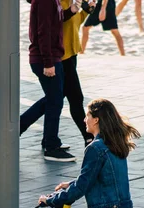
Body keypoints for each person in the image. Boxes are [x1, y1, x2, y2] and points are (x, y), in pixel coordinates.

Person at [21, 0, 96, 149]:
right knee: (71, 97)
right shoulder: (51, 2)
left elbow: (73, 23)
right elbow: (49, 30)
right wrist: (48, 63)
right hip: (61, 57)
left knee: (55, 98)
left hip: (69, 53)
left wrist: (84, 11)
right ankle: (87, 138)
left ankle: (40, 135)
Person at [21, 0, 77, 162]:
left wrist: (71, 11)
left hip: (50, 57)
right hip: (46, 59)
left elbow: (54, 21)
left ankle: (43, 138)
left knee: (54, 99)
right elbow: (43, 32)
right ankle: (51, 147)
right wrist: (48, 62)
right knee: (55, 101)